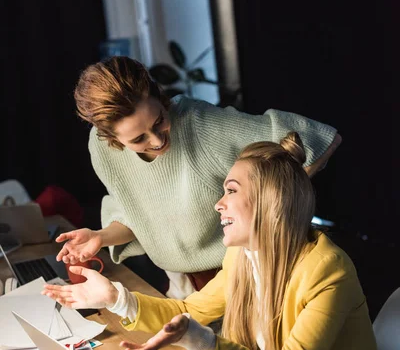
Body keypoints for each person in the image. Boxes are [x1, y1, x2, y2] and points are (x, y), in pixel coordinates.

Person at [44, 132, 400, 350]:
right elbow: (189, 309)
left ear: (269, 201)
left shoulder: (327, 270)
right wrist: (116, 298)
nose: (218, 203)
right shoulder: (243, 256)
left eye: (231, 190)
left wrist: (200, 341)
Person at [57, 56, 341, 298]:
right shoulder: (102, 149)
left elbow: (321, 139)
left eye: (159, 121)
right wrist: (100, 237)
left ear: (160, 98)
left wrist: (270, 211)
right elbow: (138, 215)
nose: (156, 141)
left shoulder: (199, 123)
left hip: (245, 281)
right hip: (181, 286)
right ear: (110, 138)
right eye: (139, 138)